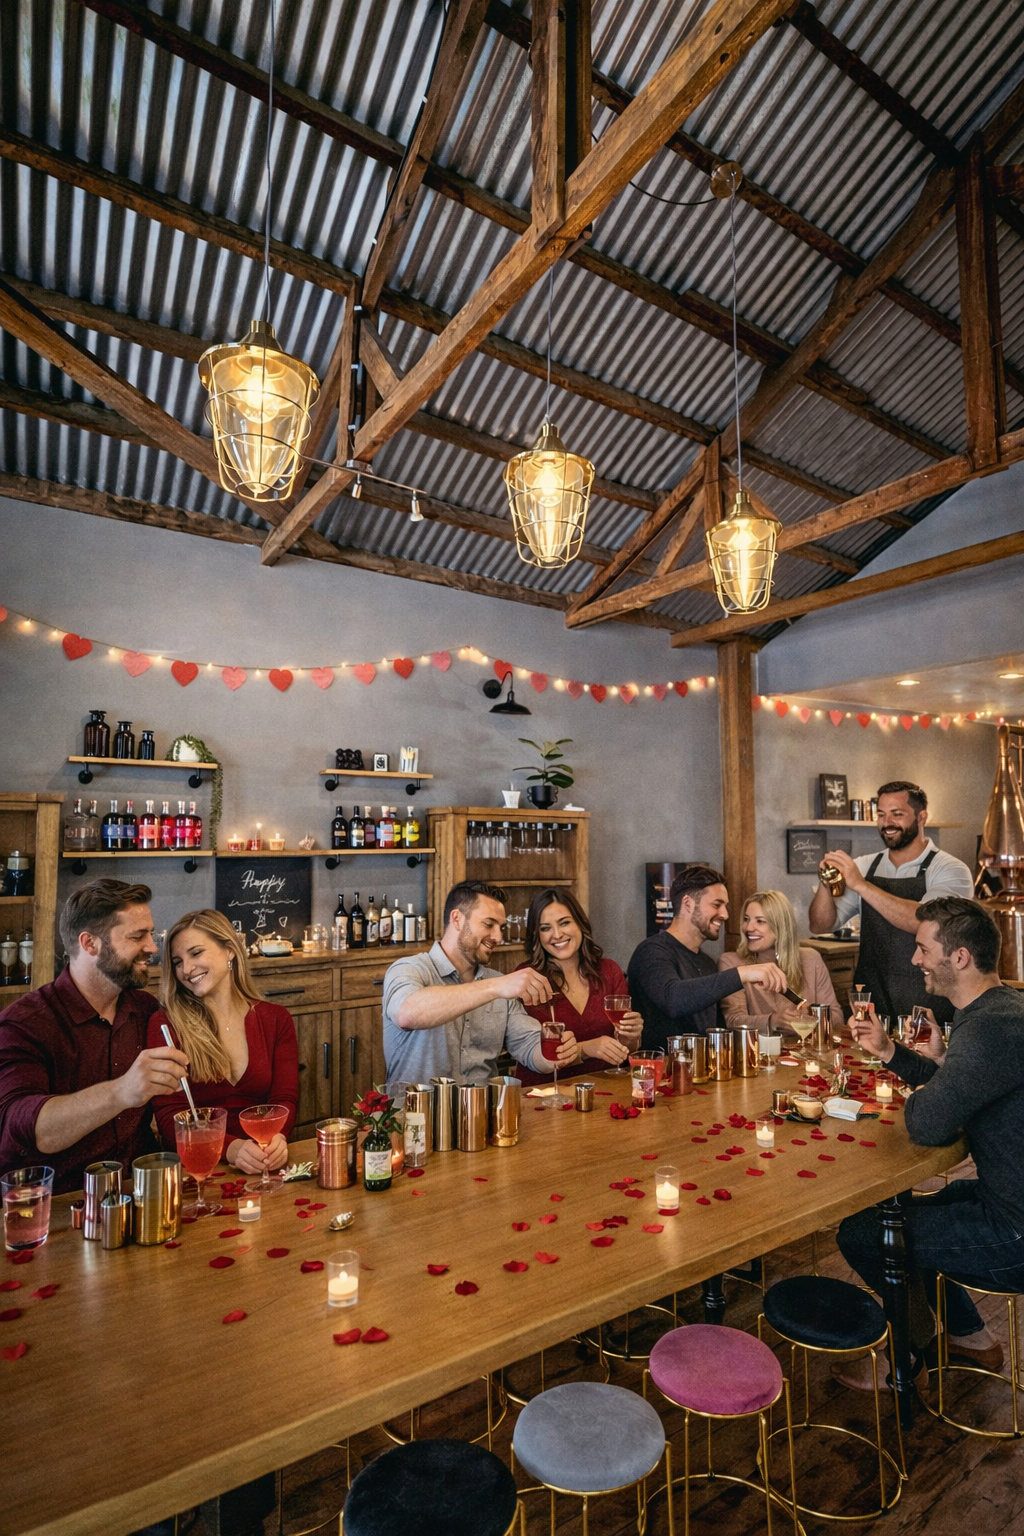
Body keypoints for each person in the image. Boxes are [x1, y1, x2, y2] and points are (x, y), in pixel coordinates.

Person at [835, 897, 1024, 1390]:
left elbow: (927, 1123)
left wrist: (934, 1080)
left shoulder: (987, 1029)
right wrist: (891, 1052)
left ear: (958, 957)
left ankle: (906, 1360)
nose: (914, 959)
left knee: (863, 1235)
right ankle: (970, 1338)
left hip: (1014, 1230)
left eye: (922, 949)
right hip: (1004, 1200)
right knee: (895, 1218)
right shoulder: (1000, 1010)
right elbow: (965, 1087)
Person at [0, 879, 188, 1193]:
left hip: (136, 1195)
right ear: (90, 944)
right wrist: (122, 1091)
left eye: (151, 934)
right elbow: (28, 1128)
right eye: (137, 936)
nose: (153, 948)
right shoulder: (24, 1024)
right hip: (51, 1209)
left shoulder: (144, 1009)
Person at [809, 780, 973, 1027]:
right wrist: (825, 880)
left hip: (929, 997)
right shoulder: (865, 865)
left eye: (897, 814)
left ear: (921, 817)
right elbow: (820, 924)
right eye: (881, 815)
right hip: (873, 996)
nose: (887, 823)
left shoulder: (950, 869)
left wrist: (861, 885)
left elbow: (925, 922)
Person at [382, 880, 577, 1087]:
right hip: (417, 1115)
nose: (498, 937)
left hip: (481, 1113)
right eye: (488, 924)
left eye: (501, 927)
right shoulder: (408, 969)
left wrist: (555, 1052)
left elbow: (529, 1048)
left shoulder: (499, 984)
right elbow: (407, 1013)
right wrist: (495, 987)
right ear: (457, 919)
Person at [147, 910, 299, 1175]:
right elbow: (170, 1117)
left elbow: (284, 1098)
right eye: (177, 962)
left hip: (265, 1164)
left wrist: (277, 1139)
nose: (186, 969)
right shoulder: (166, 1025)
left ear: (229, 950)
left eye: (195, 953)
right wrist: (230, 1149)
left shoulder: (276, 1018)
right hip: (200, 1170)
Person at [627, 863, 787, 1048]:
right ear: (688, 903)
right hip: (661, 1072)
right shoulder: (652, 951)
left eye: (725, 906)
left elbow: (716, 1030)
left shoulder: (707, 962)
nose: (725, 914)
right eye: (717, 905)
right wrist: (742, 974)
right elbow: (673, 1000)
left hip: (704, 1073)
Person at [513, 887, 640, 1086]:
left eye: (564, 923)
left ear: (580, 923)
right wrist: (587, 1049)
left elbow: (627, 1048)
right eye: (545, 928)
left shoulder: (609, 971)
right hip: (544, 1096)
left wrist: (631, 1037)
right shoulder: (527, 978)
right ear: (537, 935)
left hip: (606, 1091)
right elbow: (535, 1054)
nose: (557, 934)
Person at [718, 889, 843, 1035]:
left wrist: (811, 1013)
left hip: (807, 1053)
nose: (748, 928)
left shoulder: (811, 959)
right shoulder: (731, 962)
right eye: (746, 919)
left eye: (760, 921)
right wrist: (772, 1021)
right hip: (761, 1054)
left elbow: (837, 1019)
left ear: (780, 927)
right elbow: (733, 1021)